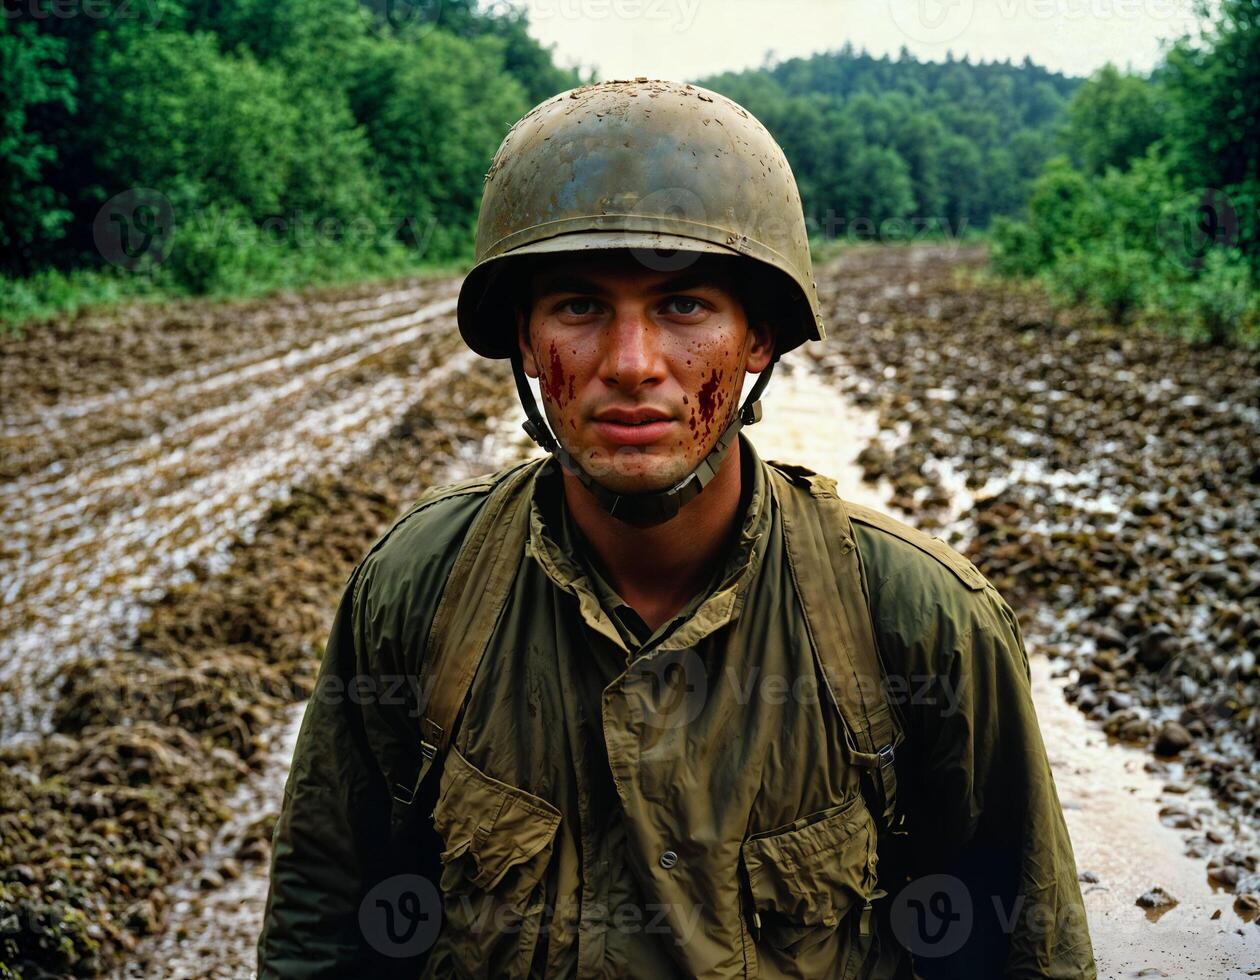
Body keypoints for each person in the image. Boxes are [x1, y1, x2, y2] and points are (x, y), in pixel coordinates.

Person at [257, 79, 1096, 979]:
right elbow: (322, 927)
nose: (631, 364)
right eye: (578, 306)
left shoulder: (920, 623)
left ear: (760, 338)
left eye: (683, 306)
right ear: (527, 342)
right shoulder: (417, 592)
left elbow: (1024, 951)